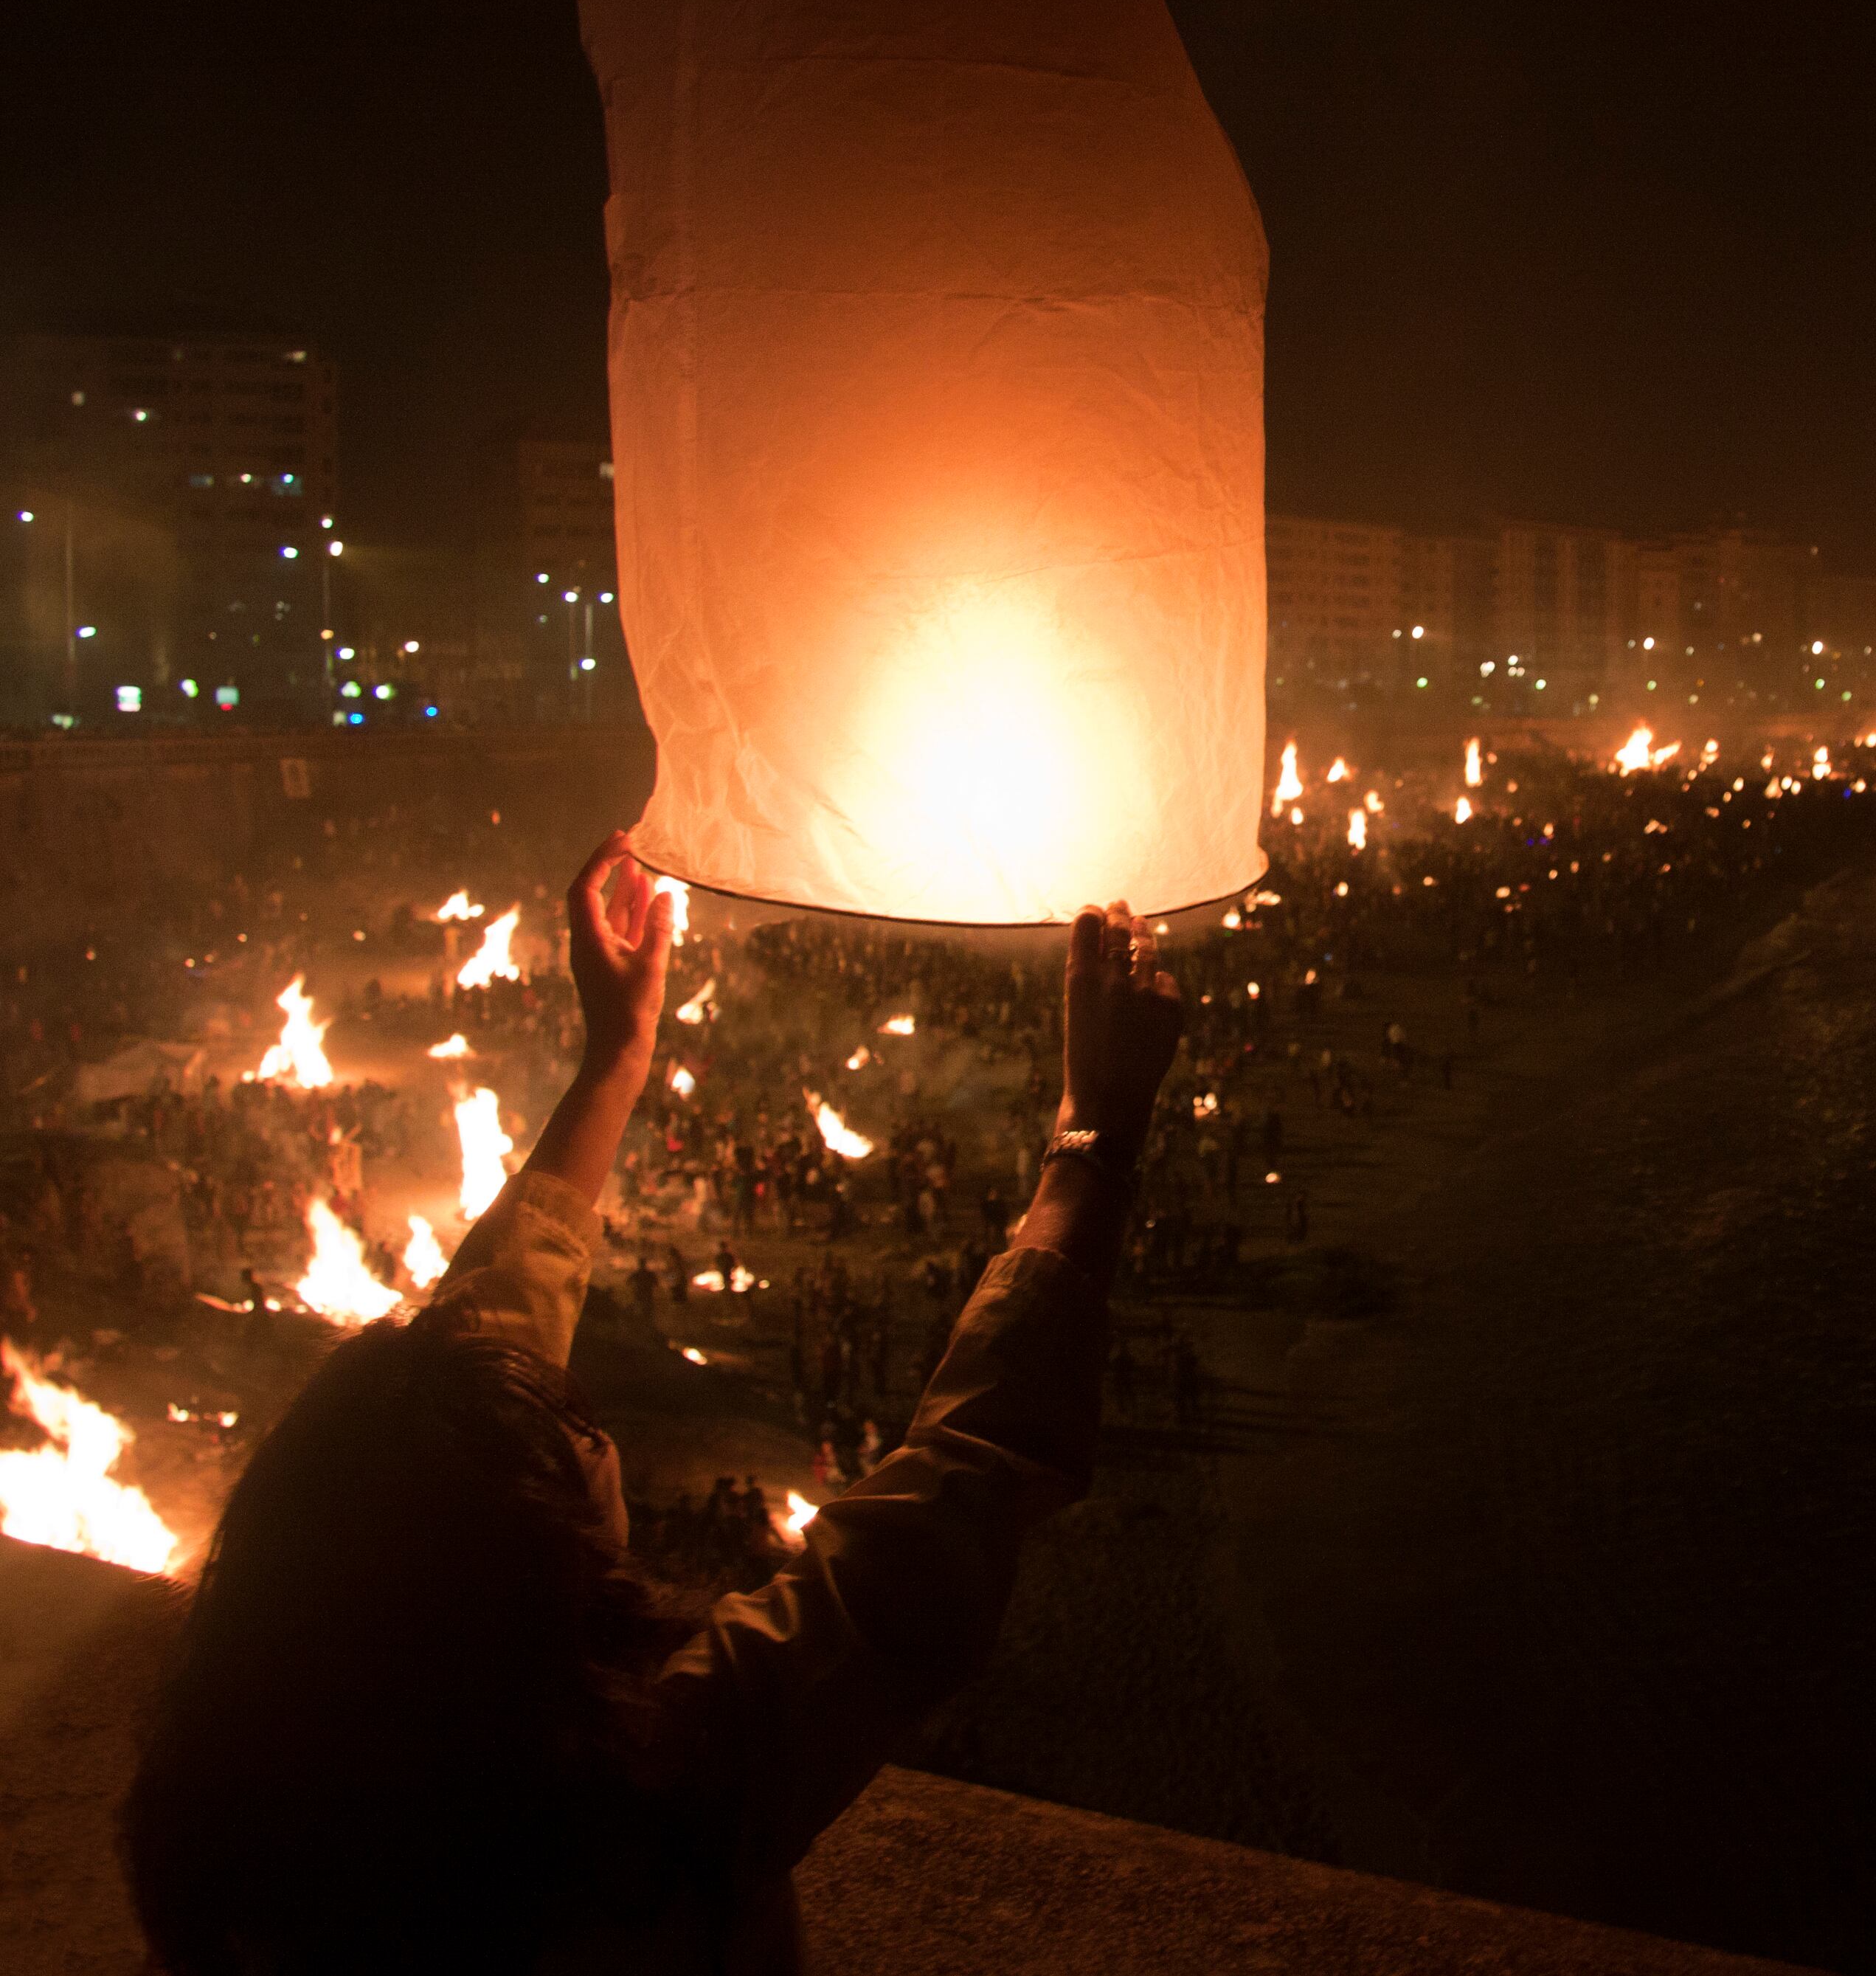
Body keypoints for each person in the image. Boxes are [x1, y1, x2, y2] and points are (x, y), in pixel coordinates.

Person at [124, 829, 1184, 1976]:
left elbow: (475, 1365)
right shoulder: (651, 1793)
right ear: (525, 1567)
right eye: (580, 1446)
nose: (594, 1429)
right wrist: (1093, 1136)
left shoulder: (262, 1785)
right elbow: (953, 1491)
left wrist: (614, 1055)